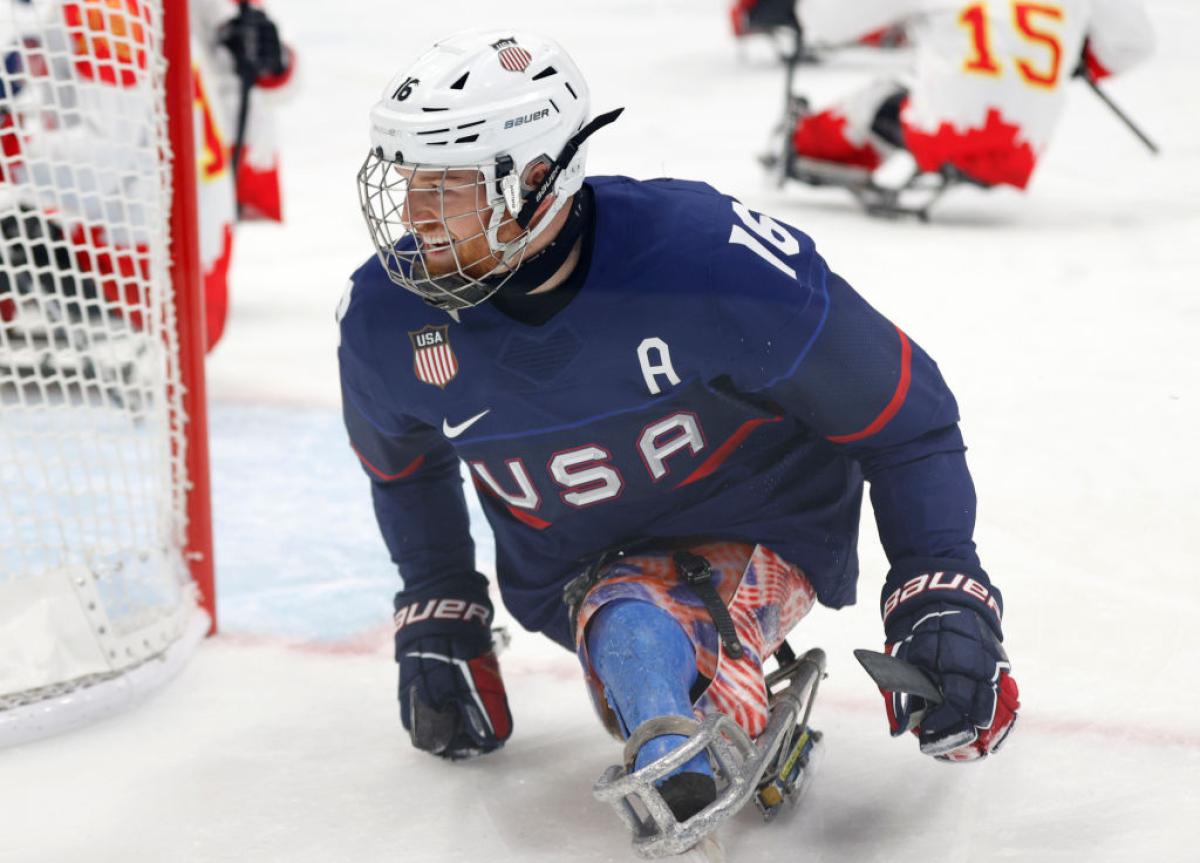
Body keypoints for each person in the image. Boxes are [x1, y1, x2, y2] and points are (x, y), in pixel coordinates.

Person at [339, 29, 1020, 832]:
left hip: (765, 525)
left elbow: (904, 415)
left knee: (632, 627)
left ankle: (683, 749)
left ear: (533, 180)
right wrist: (439, 603)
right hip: (566, 576)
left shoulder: (710, 263)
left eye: (445, 188)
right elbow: (404, 466)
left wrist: (941, 588)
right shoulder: (386, 319)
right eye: (409, 183)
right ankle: (680, 697)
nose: (413, 216)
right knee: (627, 623)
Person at [0, 0, 294, 359]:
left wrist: (10, 145)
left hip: (142, 277)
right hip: (189, 272)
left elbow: (99, 168)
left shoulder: (106, 12)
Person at [784, 0, 1154, 191]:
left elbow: (823, 21)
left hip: (943, 133)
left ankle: (805, 145)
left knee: (875, 101)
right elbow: (1134, 44)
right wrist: (1075, 56)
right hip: (1026, 144)